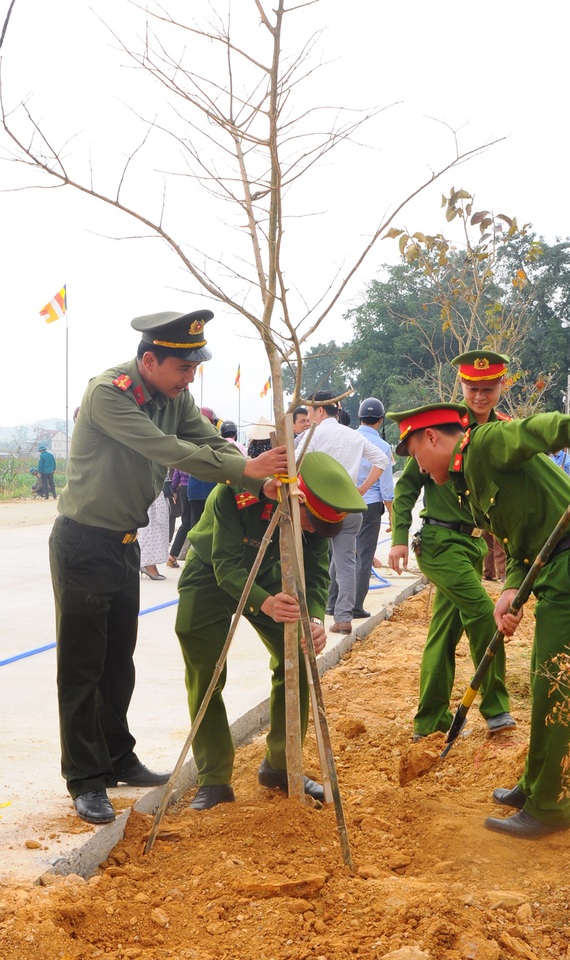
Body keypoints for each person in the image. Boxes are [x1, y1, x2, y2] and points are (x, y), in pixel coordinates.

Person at [49, 308, 288, 825]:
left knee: (119, 660)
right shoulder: (109, 394)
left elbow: (206, 439)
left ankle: (117, 757)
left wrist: (256, 479)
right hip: (84, 543)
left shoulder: (172, 398)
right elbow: (166, 449)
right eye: (183, 368)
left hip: (125, 544)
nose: (190, 379)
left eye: (195, 368)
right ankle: (85, 779)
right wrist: (245, 468)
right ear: (149, 359)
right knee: (82, 665)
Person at [387, 400, 570, 839]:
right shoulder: (466, 481)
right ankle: (535, 785)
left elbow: (534, 430)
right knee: (546, 680)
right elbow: (517, 538)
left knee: (561, 690)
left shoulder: (482, 444)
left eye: (415, 455)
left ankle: (551, 808)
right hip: (557, 566)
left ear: (430, 437)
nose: (420, 470)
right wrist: (508, 593)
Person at [175, 452, 367, 810]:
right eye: (309, 522)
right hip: (211, 573)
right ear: (296, 499)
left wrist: (312, 620)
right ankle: (214, 779)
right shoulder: (233, 494)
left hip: (270, 574)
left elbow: (316, 569)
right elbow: (226, 566)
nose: (311, 530)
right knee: (206, 671)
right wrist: (266, 603)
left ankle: (280, 766)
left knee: (298, 656)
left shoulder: (314, 517)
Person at [389, 351, 514, 739]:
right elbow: (408, 486)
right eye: (472, 388)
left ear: (501, 387)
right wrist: (397, 540)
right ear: (462, 385)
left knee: (443, 633)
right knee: (481, 613)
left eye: (488, 389)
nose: (479, 397)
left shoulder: (505, 432)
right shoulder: (438, 427)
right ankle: (496, 709)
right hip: (441, 541)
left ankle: (429, 722)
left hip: (474, 546)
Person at [304, 390, 390, 635]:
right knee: (346, 563)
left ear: (320, 410)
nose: (309, 416)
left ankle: (312, 617)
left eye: (310, 411)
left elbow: (295, 462)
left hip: (317, 507)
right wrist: (361, 489)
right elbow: (381, 461)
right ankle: (343, 618)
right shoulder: (353, 437)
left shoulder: (313, 435)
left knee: (314, 563)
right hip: (348, 506)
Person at [352, 397, 394, 618]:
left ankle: (333, 602)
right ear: (380, 420)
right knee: (364, 556)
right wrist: (393, 517)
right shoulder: (383, 447)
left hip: (346, 504)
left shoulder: (348, 438)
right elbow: (387, 488)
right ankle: (356, 606)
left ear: (359, 417)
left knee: (342, 554)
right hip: (370, 506)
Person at [138, 492, 170, 580]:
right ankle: (148, 565)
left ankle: (148, 563)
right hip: (150, 499)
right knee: (149, 534)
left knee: (152, 534)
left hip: (151, 497)